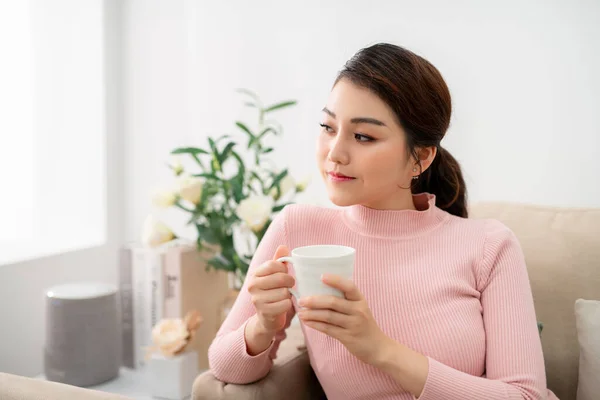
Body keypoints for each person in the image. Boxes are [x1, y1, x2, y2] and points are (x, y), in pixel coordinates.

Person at [207, 43, 558, 400]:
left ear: (420, 157)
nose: (335, 153)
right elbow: (224, 368)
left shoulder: (488, 245)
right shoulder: (297, 230)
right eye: (328, 127)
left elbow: (527, 396)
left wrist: (380, 350)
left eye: (363, 136)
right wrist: (264, 326)